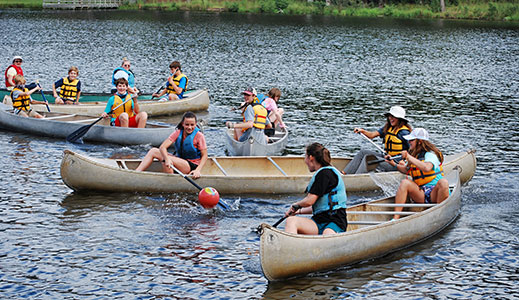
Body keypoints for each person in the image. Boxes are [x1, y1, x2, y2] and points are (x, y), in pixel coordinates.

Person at [283, 142, 348, 235]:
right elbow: (319, 206)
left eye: (305, 157)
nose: (305, 161)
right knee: (291, 221)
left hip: (335, 222)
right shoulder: (321, 174)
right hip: (318, 222)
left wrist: (295, 205)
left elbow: (310, 201)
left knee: (327, 233)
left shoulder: (325, 174)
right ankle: (291, 247)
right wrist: (297, 212)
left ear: (310, 157)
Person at [389, 128, 449, 220]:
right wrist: (393, 164)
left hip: (435, 194)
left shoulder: (431, 155)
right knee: (405, 182)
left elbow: (427, 168)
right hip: (421, 193)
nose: (409, 142)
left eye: (412, 140)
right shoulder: (414, 155)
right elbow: (406, 170)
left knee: (443, 182)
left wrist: (408, 157)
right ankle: (395, 218)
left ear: (420, 141)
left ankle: (438, 215)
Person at [136, 111, 208, 179]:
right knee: (154, 151)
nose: (189, 127)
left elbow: (205, 156)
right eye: (187, 124)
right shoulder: (178, 132)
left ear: (195, 124)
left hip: (191, 166)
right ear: (183, 124)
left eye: (192, 125)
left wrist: (197, 170)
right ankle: (136, 173)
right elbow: (162, 147)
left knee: (166, 158)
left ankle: (171, 180)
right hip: (180, 161)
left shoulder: (199, 136)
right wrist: (166, 159)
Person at [343, 105, 412, 174]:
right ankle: (345, 173)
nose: (391, 118)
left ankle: (356, 178)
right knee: (363, 152)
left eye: (393, 117)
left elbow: (413, 149)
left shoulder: (404, 132)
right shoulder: (388, 128)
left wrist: (405, 161)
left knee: (368, 159)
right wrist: (362, 131)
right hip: (386, 157)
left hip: (395, 163)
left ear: (400, 119)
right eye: (390, 116)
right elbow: (372, 135)